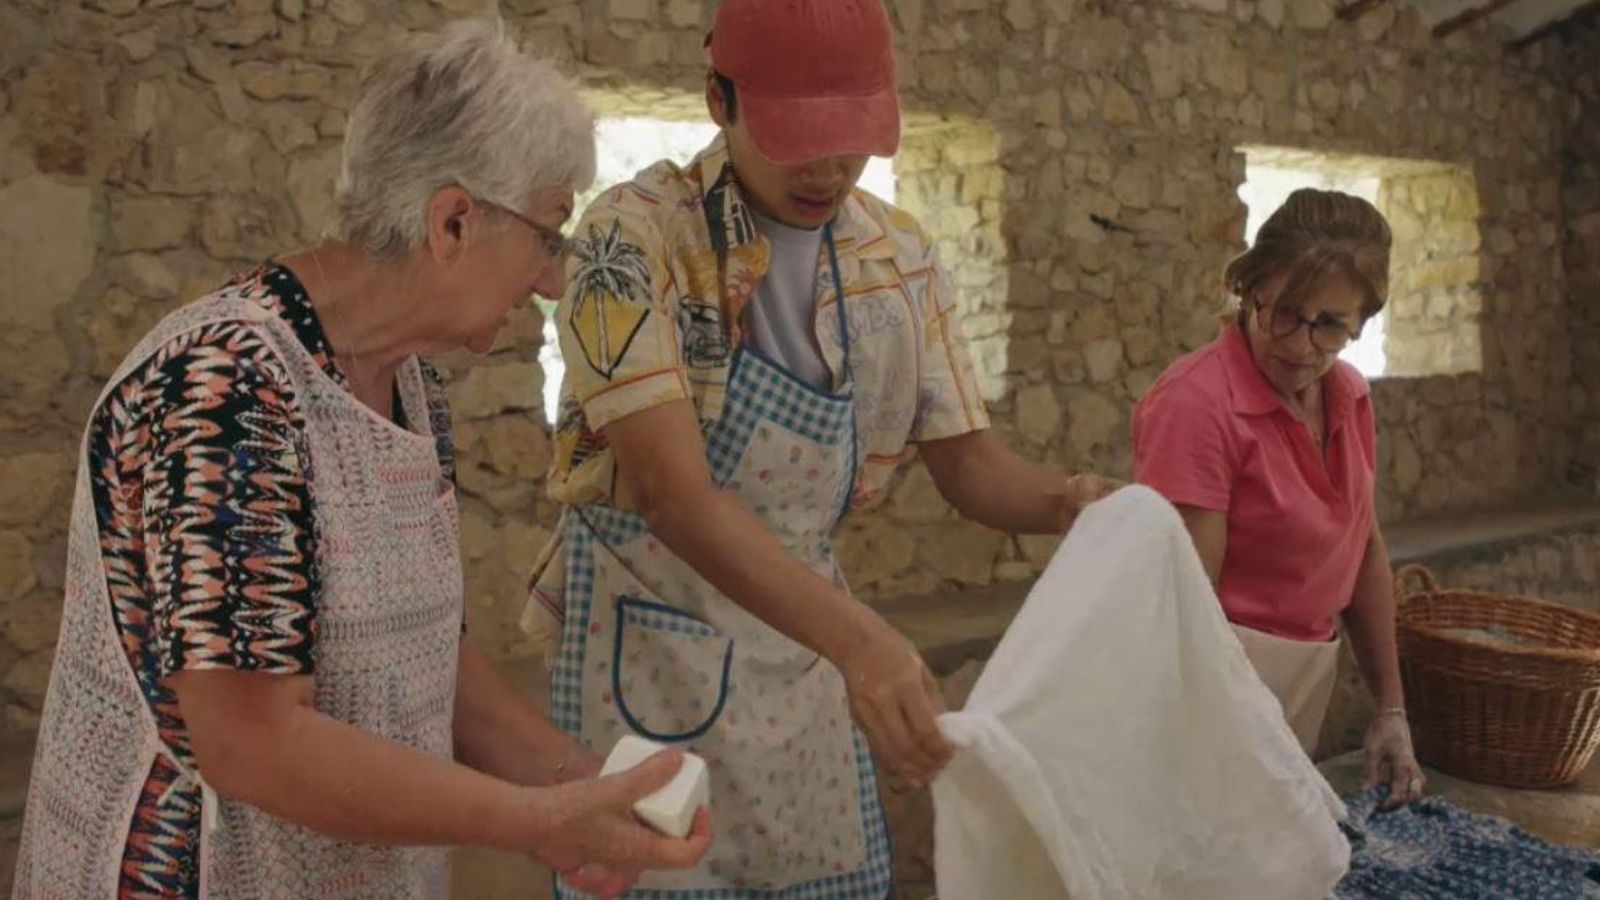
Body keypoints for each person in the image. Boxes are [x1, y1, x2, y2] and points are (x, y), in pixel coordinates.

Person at [13, 20, 708, 900]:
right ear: (453, 221)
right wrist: (533, 824)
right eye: (547, 234)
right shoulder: (225, 388)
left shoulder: (407, 380)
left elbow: (428, 660)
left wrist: (588, 791)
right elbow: (255, 745)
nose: (552, 278)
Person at [524, 0, 1117, 894]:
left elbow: (971, 465)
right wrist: (863, 644)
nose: (831, 168)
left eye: (854, 138)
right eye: (800, 137)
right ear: (718, 99)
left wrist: (1065, 503)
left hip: (798, 649)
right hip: (650, 643)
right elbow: (673, 498)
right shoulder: (633, 239)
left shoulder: (899, 257)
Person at [1133, 188, 1426, 808]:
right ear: (1249, 288)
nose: (1299, 343)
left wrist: (1391, 707)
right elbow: (1189, 609)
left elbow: (1361, 548)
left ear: (1362, 323)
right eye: (1284, 313)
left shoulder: (1348, 396)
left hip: (1298, 680)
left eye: (1329, 326)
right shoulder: (1199, 404)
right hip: (1207, 691)